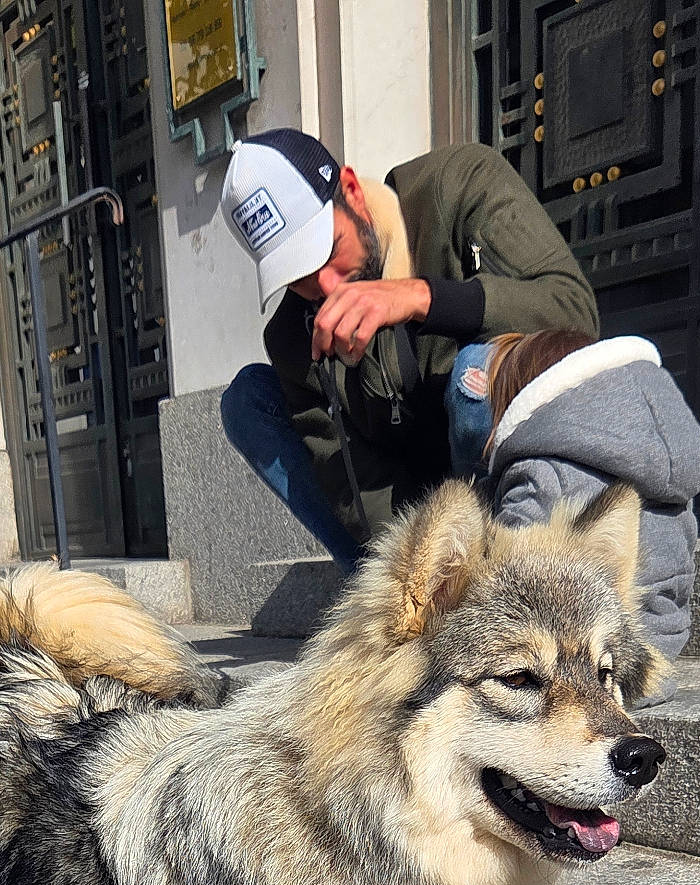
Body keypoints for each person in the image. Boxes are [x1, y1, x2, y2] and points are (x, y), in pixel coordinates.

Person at [218, 127, 599, 571]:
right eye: (297, 276)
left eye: (328, 250)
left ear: (352, 191)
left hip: (510, 493)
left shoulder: (461, 184)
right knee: (247, 399)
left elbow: (575, 313)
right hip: (415, 517)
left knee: (476, 373)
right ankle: (390, 596)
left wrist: (420, 299)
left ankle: (506, 582)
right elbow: (356, 484)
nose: (325, 286)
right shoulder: (295, 334)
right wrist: (413, 577)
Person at [457, 327, 700, 667]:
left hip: (582, 652)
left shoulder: (543, 469)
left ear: (523, 401)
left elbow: (513, 577)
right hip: (663, 638)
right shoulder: (668, 461)